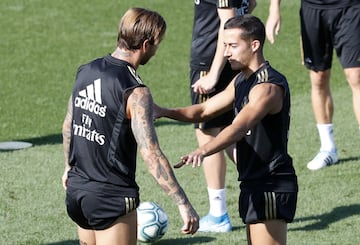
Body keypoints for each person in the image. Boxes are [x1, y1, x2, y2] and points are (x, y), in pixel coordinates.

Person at [155, 14, 298, 244]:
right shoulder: (241, 80)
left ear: (254, 45)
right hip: (253, 182)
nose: (226, 52)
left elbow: (239, 127)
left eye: (232, 46)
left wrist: (204, 150)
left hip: (270, 183)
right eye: (224, 45)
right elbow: (203, 111)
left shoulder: (268, 87)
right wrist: (162, 111)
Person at [61, 7, 199, 245]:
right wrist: (182, 203)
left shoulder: (86, 70)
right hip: (109, 197)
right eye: (158, 44)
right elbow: (151, 154)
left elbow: (68, 125)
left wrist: (67, 167)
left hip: (77, 190)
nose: (157, 50)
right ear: (146, 44)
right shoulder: (135, 92)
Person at [188, 0, 256, 232]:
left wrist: (213, 74)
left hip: (211, 60)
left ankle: (218, 215)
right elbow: (250, 4)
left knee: (208, 134)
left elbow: (227, 22)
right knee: (230, 134)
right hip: (231, 59)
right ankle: (267, 182)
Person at [299, 0, 360, 170]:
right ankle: (328, 148)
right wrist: (275, 8)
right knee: (318, 77)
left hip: (351, 6)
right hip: (312, 8)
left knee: (356, 76)